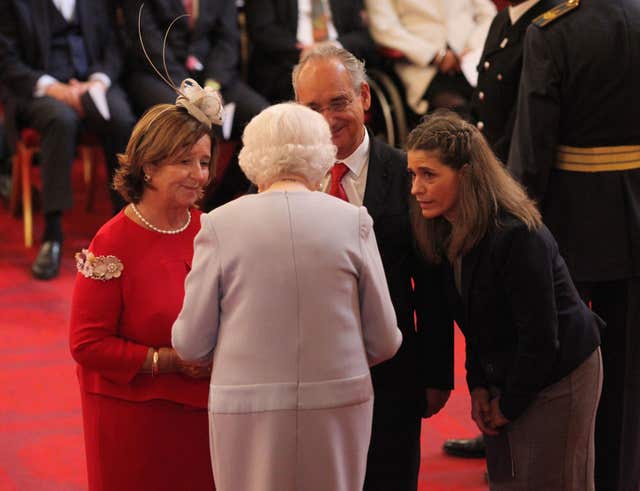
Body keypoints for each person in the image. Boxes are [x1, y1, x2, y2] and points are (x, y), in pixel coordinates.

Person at [172, 102, 402, 491]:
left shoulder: (220, 224)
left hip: (247, 405)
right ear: (322, 155)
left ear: (251, 156)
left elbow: (191, 343)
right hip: (339, 399)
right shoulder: (353, 221)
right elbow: (385, 339)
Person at [408, 110, 603, 489]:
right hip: (514, 368)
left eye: (429, 174)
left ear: (465, 175)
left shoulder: (516, 236)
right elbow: (476, 323)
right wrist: (478, 386)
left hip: (560, 373)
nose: (416, 188)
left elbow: (541, 338)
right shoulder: (443, 230)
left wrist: (508, 405)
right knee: (509, 480)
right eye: (413, 174)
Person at [292, 45, 453, 491]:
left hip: (393, 377)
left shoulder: (408, 176)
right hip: (309, 376)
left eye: (339, 102)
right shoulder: (284, 179)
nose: (328, 118)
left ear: (364, 97)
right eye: (313, 107)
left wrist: (437, 374)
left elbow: (433, 285)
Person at [507, 1, 640, 488]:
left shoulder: (552, 29)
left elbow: (534, 142)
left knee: (560, 355)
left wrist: (517, 214)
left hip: (570, 221)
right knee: (627, 374)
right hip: (633, 215)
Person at [69, 81, 223, 491]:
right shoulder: (112, 241)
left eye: (205, 162)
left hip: (208, 413)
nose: (199, 175)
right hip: (133, 418)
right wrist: (169, 361)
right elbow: (86, 344)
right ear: (148, 167)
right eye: (184, 162)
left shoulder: (212, 230)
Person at [443, 0, 561, 459]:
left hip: (519, 195)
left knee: (523, 321)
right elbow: (484, 110)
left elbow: (531, 122)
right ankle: (497, 422)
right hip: (492, 188)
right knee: (495, 318)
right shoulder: (503, 22)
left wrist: (509, 194)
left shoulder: (547, 21)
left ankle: (516, 418)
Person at [0, 0, 136, 279]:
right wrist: (52, 88)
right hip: (37, 89)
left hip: (92, 83)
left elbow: (115, 44)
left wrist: (97, 81)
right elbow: (7, 60)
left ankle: (125, 224)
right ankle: (52, 234)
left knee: (120, 118)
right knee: (60, 120)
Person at [121, 0, 269, 209]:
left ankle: (219, 201)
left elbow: (227, 40)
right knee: (180, 117)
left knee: (263, 120)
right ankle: (164, 203)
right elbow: (147, 39)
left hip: (214, 77)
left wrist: (212, 85)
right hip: (159, 72)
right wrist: (190, 91)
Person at [365, 0, 495, 118]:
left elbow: (488, 13)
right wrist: (435, 56)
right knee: (457, 117)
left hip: (471, 59)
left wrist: (472, 46)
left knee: (501, 99)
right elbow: (384, 29)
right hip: (423, 68)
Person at [244, 0, 377, 103]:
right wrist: (305, 52)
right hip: (287, 65)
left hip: (341, 61)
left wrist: (332, 47)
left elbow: (362, 36)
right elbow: (262, 31)